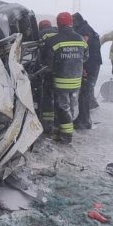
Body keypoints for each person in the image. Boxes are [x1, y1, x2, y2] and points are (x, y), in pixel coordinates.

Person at [44, 11, 88, 144]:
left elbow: (48, 63)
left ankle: (67, 135)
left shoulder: (53, 40)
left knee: (62, 107)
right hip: (76, 80)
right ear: (71, 23)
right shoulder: (80, 39)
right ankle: (64, 130)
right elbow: (86, 57)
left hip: (61, 80)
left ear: (58, 24)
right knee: (71, 106)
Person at [72, 12, 102, 109]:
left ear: (76, 22)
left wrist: (83, 67)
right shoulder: (86, 28)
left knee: (87, 86)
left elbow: (83, 49)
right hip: (94, 62)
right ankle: (91, 105)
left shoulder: (83, 31)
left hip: (90, 63)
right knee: (88, 85)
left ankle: (89, 107)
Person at [36, 18, 57, 134]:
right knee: (59, 96)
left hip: (48, 69)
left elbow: (38, 51)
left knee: (47, 96)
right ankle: (57, 121)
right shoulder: (58, 32)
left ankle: (47, 123)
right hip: (60, 69)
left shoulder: (41, 34)